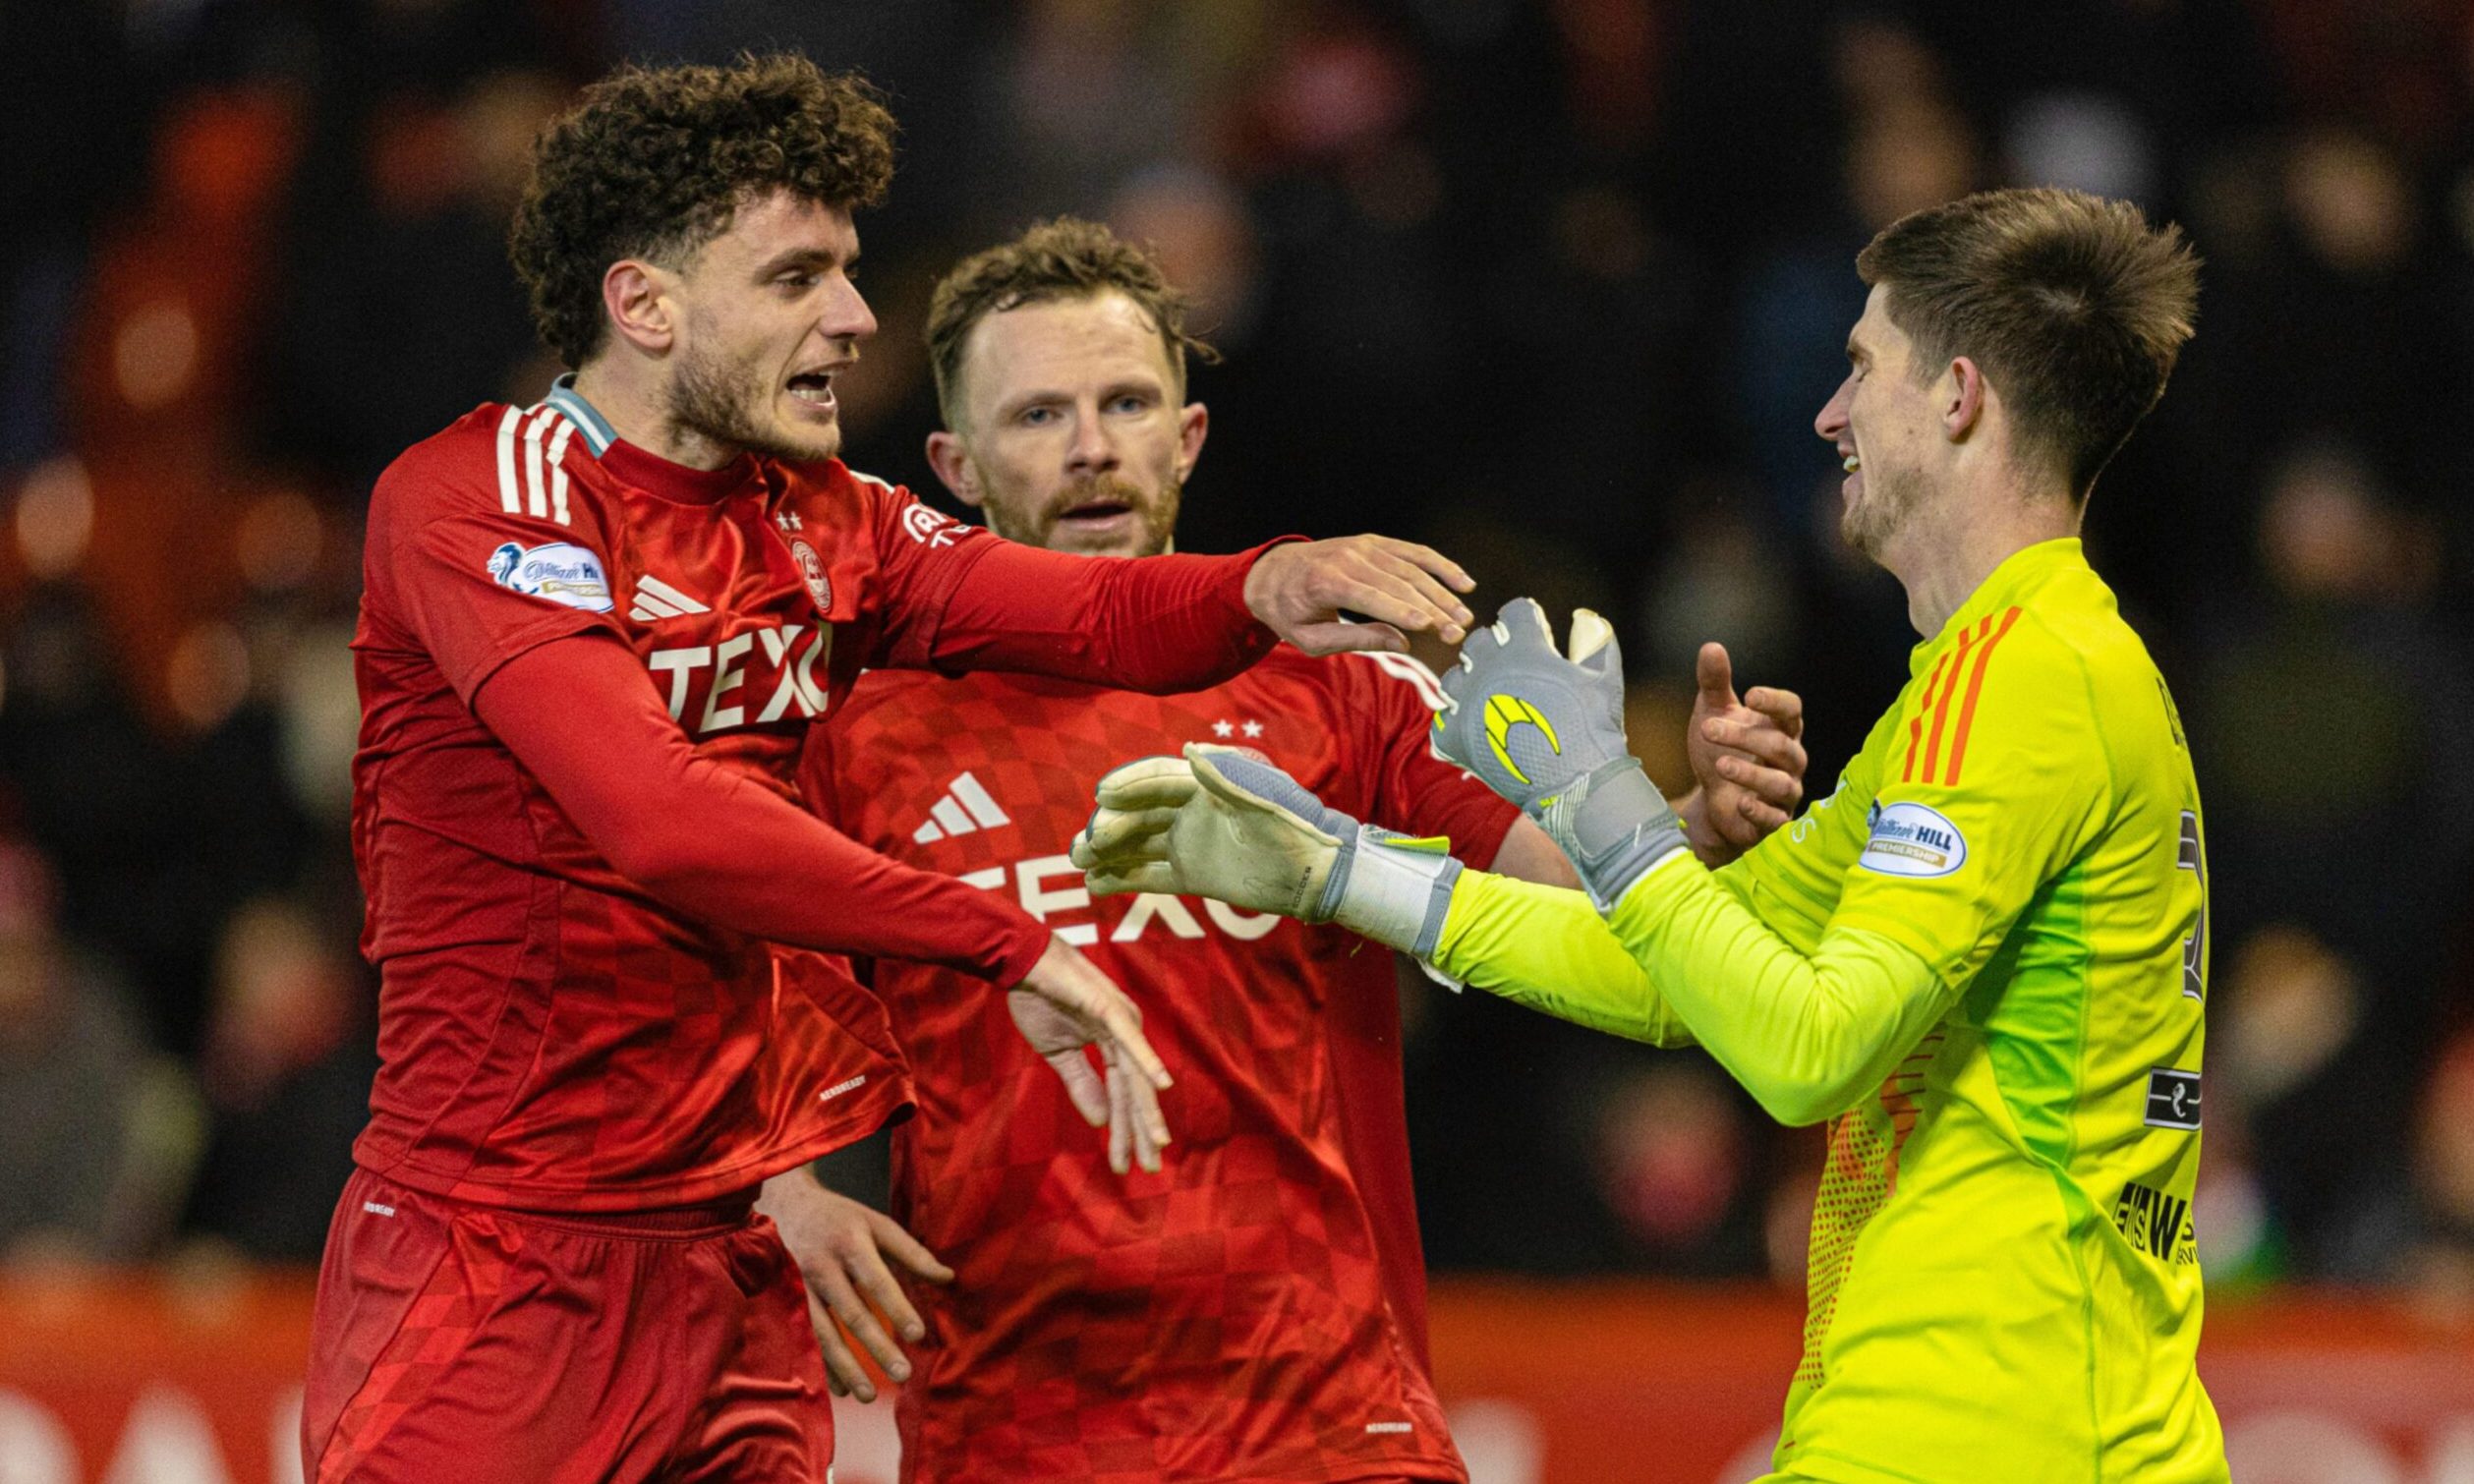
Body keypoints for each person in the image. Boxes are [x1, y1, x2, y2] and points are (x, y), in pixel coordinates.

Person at [312, 56, 1480, 1484]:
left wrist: (1270, 581)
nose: (855, 318)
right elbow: (659, 818)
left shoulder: (825, 518)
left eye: (850, 273)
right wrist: (1006, 944)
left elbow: (1094, 611)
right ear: (646, 305)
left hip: (729, 1276)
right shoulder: (481, 498)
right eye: (799, 277)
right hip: (495, 1261)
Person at [1081, 188, 2229, 1483]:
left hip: (1987, 1437)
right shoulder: (2001, 680)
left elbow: (1805, 1050)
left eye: (1858, 368)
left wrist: (1593, 792)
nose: (1827, 413)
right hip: (2005, 1425)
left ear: (1957, 395)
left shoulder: (2022, 682)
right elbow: (1678, 962)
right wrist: (1336, 868)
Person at [794, 217, 1811, 1483]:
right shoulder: (859, 741)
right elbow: (736, 1013)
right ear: (954, 463)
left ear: (1190, 435)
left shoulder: (1338, 693)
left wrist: (1695, 827)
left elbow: (1579, 899)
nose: (1095, 446)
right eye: (1040, 416)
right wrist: (784, 1191)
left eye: (1126, 402)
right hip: (1011, 1430)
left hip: (1327, 1422)